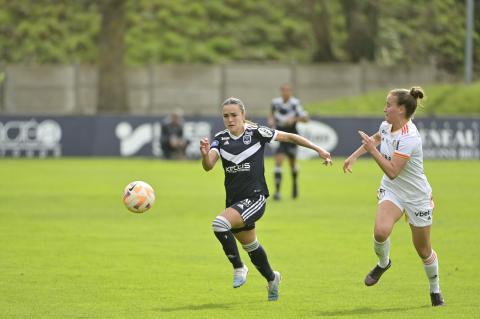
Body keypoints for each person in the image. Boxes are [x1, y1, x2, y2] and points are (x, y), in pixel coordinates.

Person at [200, 97, 332, 301]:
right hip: (234, 203)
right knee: (251, 246)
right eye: (226, 116)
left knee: (219, 224)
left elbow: (290, 137)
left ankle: (238, 267)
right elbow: (209, 166)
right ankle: (272, 278)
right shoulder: (220, 138)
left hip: (255, 198)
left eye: (234, 115)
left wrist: (319, 149)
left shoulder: (257, 132)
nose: (230, 119)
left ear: (243, 115)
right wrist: (204, 154)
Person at [343, 87, 445, 307]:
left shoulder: (410, 137)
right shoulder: (387, 125)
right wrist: (354, 156)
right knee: (380, 232)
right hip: (393, 190)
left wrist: (372, 151)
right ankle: (383, 263)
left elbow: (392, 170)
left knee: (424, 250)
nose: (385, 108)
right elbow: (378, 137)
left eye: (388, 105)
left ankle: (435, 291)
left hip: (416, 196)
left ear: (401, 109)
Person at [268, 84, 309, 200]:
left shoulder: (295, 103)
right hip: (280, 136)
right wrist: (271, 121)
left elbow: (306, 119)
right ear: (281, 92)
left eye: (288, 91)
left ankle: (295, 185)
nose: (286, 93)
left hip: (292, 136)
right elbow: (271, 115)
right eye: (283, 91)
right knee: (278, 161)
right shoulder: (275, 103)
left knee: (292, 163)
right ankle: (277, 192)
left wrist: (294, 119)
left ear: (291, 92)